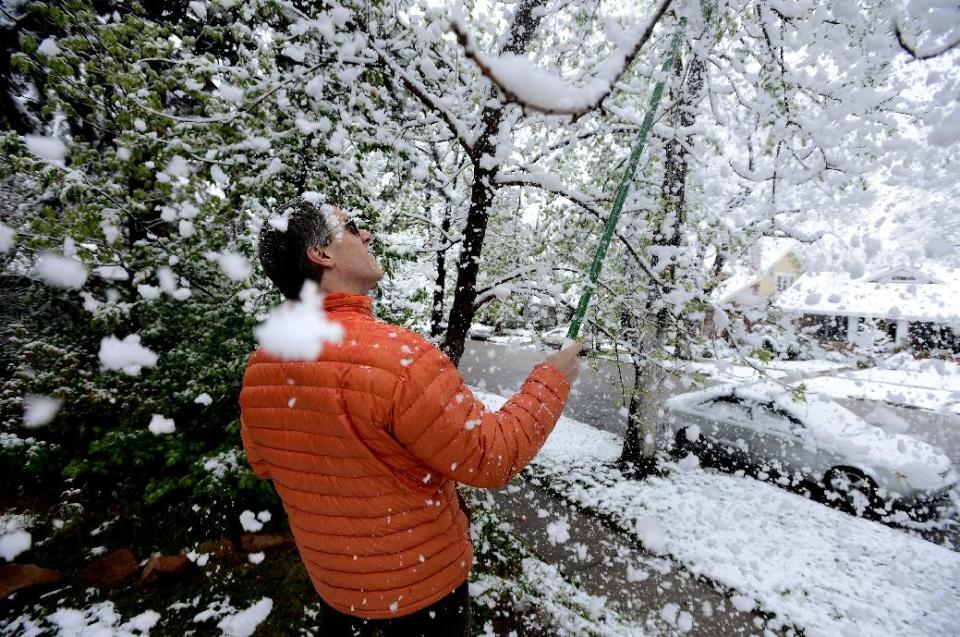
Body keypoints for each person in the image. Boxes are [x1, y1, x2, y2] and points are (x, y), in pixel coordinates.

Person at [239, 197, 580, 636]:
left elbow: (264, 462)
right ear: (320, 255)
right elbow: (491, 456)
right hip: (423, 599)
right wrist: (553, 379)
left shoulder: (262, 366)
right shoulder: (399, 358)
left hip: (338, 596)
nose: (367, 235)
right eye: (352, 227)